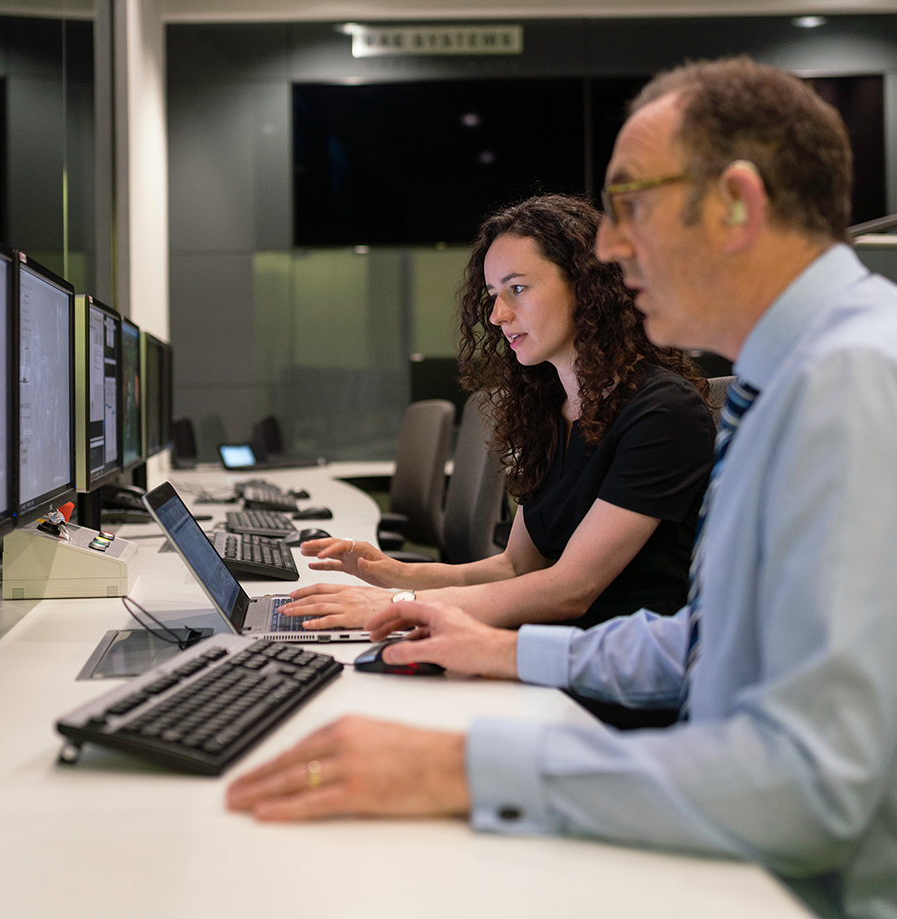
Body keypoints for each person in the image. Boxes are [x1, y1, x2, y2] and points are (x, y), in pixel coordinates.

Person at [227, 57, 897, 919]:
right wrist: (498, 648)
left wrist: (456, 770)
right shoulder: (788, 380)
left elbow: (813, 785)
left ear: (736, 204)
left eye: (630, 206)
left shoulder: (852, 385)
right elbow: (706, 640)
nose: (612, 248)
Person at [281, 194, 715, 642]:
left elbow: (571, 589)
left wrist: (398, 606)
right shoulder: (549, 408)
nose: (497, 315)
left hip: (615, 670)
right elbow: (515, 566)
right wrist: (397, 574)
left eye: (518, 289)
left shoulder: (663, 411)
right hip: (542, 646)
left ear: (586, 285)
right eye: (492, 295)